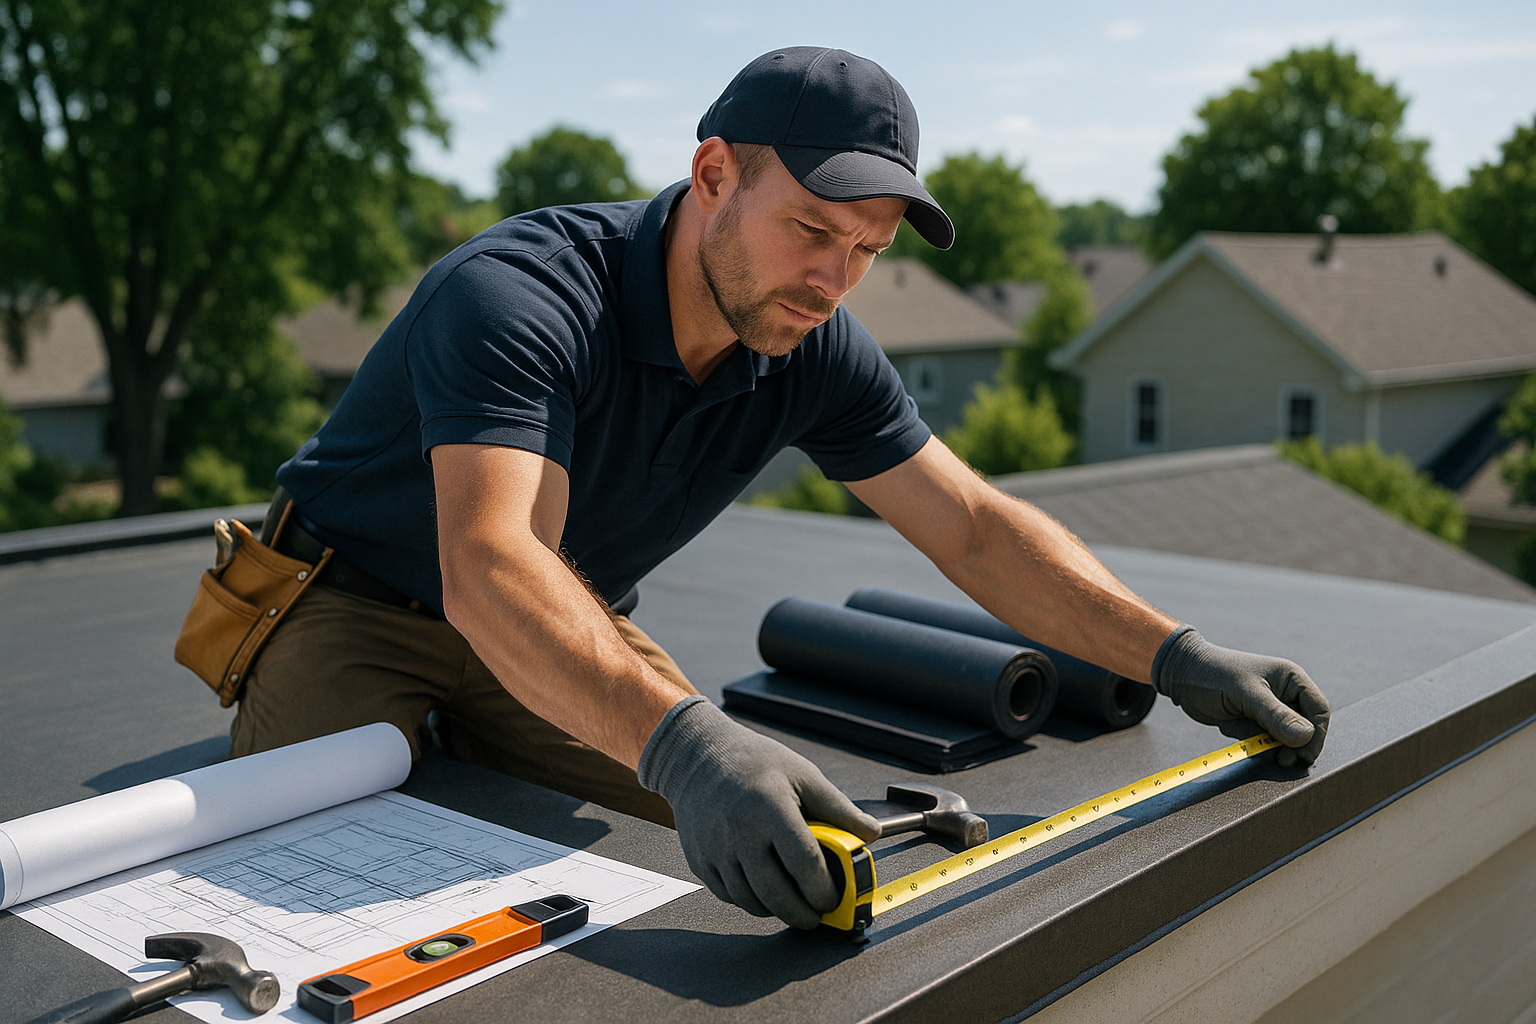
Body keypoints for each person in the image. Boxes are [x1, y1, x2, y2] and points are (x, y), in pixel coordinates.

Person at [231, 46, 1330, 931]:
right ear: (714, 174)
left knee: (775, 843)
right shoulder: (520, 296)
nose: (832, 280)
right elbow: (492, 563)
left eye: (866, 250)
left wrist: (1175, 655)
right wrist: (680, 741)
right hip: (359, 603)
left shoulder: (813, 343)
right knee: (306, 872)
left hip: (564, 615)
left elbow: (978, 529)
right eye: (811, 229)